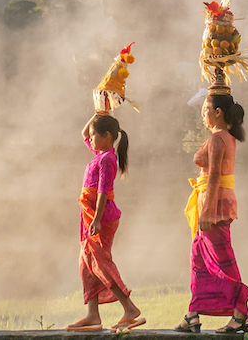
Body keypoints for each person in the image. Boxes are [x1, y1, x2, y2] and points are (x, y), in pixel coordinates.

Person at [175, 81, 248, 334]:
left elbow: (215, 177)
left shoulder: (218, 139)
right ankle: (192, 314)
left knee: (221, 259)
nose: (202, 114)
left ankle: (240, 312)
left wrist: (207, 212)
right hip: (210, 202)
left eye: (205, 108)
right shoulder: (223, 137)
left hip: (214, 205)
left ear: (218, 112)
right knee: (198, 259)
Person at [66, 112, 145, 332]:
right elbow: (83, 133)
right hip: (89, 214)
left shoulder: (108, 159)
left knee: (100, 262)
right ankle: (93, 315)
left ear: (107, 136)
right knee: (86, 263)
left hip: (102, 215)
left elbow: (102, 192)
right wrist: (98, 112)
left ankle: (130, 308)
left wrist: (98, 219)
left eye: (94, 135)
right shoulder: (99, 154)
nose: (90, 139)